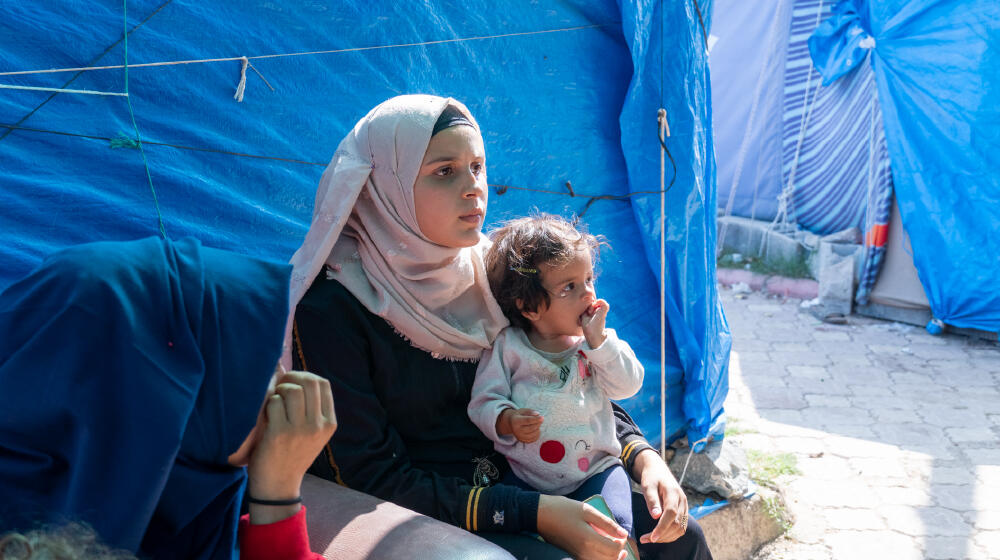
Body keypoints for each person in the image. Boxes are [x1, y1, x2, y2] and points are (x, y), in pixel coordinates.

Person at [288, 94, 712, 559]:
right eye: (444, 171)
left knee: (680, 539)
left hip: (539, 477)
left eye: (477, 167)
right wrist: (535, 514)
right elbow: (367, 477)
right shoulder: (333, 311)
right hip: (439, 512)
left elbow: (568, 369)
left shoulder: (489, 272)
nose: (474, 188)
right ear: (385, 186)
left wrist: (642, 457)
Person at [0, 236, 334, 560]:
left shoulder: (174, 511)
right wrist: (277, 501)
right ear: (159, 398)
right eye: (262, 364)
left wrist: (276, 496)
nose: (286, 380)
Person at [467, 215, 643, 554]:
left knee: (614, 530)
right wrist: (506, 420)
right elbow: (483, 401)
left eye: (589, 278)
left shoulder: (596, 344)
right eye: (569, 287)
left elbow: (628, 385)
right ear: (528, 306)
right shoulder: (508, 347)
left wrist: (600, 344)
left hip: (597, 471)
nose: (588, 293)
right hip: (528, 480)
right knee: (531, 543)